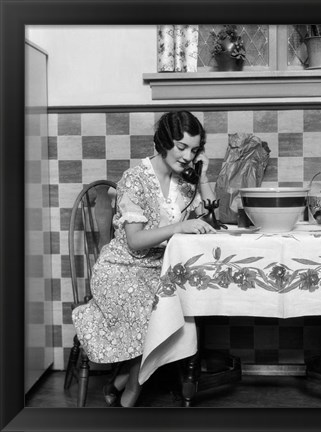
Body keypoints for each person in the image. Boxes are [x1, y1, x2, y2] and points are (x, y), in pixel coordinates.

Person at [72, 110, 217, 407]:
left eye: (194, 149)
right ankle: (132, 392)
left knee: (180, 309)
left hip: (160, 269)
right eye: (182, 147)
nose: (188, 156)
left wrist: (202, 177)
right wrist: (179, 226)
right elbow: (136, 241)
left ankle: (122, 380)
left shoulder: (186, 184)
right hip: (121, 268)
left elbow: (213, 220)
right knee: (150, 311)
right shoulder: (135, 179)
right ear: (164, 141)